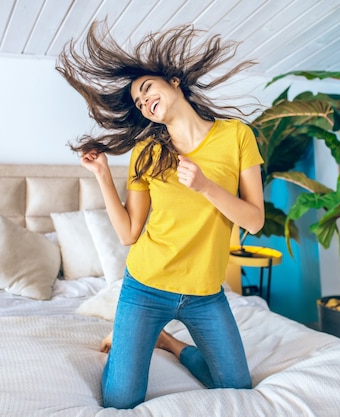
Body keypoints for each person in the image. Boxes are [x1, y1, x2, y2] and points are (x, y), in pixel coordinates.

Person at [56, 21, 264, 410]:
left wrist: (206, 186)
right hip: (146, 287)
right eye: (138, 102)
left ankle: (167, 341)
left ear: (174, 82)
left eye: (147, 89)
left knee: (237, 386)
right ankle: (140, 336)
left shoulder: (236, 136)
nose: (143, 101)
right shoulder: (146, 153)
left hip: (205, 294)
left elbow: (254, 221)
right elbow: (128, 234)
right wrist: (103, 174)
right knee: (121, 399)